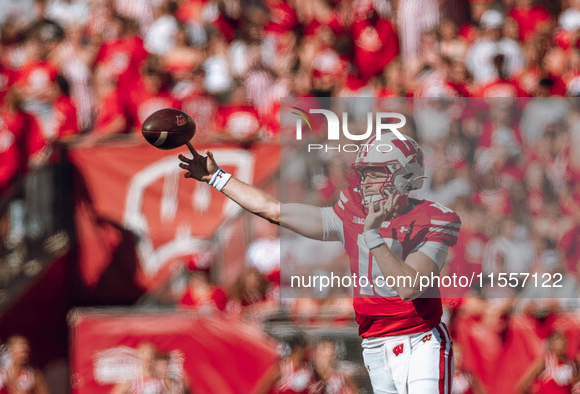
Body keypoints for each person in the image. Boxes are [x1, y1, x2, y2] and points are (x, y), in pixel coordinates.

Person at [178, 131, 460, 393]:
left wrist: (373, 236)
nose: (366, 182)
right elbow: (274, 210)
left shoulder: (434, 219)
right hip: (374, 342)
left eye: (376, 173)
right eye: (365, 173)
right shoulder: (352, 211)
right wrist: (218, 178)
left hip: (420, 340)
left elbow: (408, 286)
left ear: (405, 177)